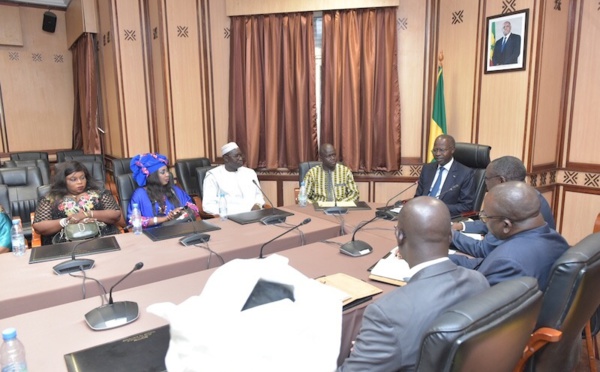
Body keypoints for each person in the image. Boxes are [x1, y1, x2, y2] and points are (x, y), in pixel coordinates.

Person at [338, 196, 489, 372]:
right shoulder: (479, 281)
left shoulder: (386, 313)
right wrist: (373, 348)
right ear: (450, 236)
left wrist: (365, 352)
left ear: (399, 236)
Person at [450, 182, 569, 290]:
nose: (485, 222)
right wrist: (444, 261)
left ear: (506, 225)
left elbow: (478, 305)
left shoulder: (508, 261)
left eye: (485, 217)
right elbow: (487, 263)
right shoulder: (556, 238)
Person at [451, 156, 556, 257]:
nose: (485, 185)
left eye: (486, 178)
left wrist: (450, 234)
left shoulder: (512, 204)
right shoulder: (529, 195)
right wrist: (461, 226)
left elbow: (483, 249)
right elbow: (492, 222)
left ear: (501, 181)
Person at [33, 161, 122, 246]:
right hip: (64, 243)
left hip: (102, 238)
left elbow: (115, 214)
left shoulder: (99, 193)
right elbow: (39, 226)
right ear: (63, 181)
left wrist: (86, 214)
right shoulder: (50, 199)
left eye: (82, 177)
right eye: (73, 179)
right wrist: (66, 221)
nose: (80, 182)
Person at [129, 153, 199, 228]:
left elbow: (194, 208)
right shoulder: (140, 194)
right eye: (163, 172)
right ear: (152, 175)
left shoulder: (174, 190)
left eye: (167, 171)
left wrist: (180, 212)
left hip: (178, 230)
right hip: (152, 235)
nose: (167, 174)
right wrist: (165, 218)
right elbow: (133, 220)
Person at [415, 134, 475, 216]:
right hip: (422, 215)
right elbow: (418, 196)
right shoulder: (427, 169)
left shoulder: (465, 173)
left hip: (445, 217)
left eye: (442, 150)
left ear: (452, 150)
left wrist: (438, 207)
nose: (437, 154)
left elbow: (466, 206)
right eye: (435, 150)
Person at [202, 142, 265, 215]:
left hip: (254, 216)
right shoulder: (213, 176)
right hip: (229, 219)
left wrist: (258, 205)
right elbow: (208, 205)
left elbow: (259, 195)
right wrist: (228, 213)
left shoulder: (250, 173)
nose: (240, 158)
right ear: (226, 158)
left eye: (241, 155)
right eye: (236, 156)